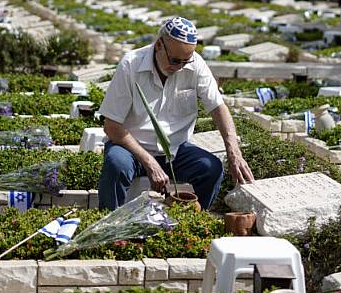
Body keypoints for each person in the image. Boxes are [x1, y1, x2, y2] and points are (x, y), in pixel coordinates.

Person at [97, 17, 254, 210]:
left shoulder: (195, 64)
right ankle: (108, 225)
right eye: (174, 60)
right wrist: (150, 163)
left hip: (175, 151)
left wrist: (234, 151)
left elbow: (218, 107)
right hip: (131, 148)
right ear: (159, 45)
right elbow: (111, 127)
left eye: (185, 61)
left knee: (211, 169)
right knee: (116, 165)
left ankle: (190, 225)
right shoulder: (131, 64)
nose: (179, 67)